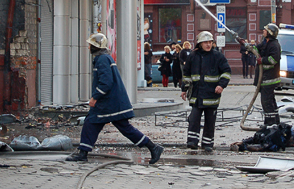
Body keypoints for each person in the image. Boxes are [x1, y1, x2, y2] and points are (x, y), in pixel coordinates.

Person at [66, 33, 163, 163]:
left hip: (108, 103)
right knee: (98, 124)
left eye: (90, 45)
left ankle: (153, 147)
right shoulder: (105, 58)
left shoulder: (101, 60)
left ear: (96, 46)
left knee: (94, 123)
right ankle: (153, 147)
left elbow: (106, 82)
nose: (88, 47)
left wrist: (95, 97)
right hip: (111, 103)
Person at [181, 31, 231, 152]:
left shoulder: (218, 56)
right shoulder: (193, 56)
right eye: (205, 42)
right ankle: (192, 142)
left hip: (212, 95)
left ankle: (207, 143)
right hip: (197, 95)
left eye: (210, 42)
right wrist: (184, 89)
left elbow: (226, 72)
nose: (208, 45)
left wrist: (221, 85)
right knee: (194, 119)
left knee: (210, 121)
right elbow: (186, 74)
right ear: (200, 43)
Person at [248, 24, 281, 126]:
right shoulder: (266, 43)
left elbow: (273, 59)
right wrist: (249, 47)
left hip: (269, 79)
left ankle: (270, 124)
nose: (263, 31)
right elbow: (257, 49)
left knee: (266, 102)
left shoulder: (274, 45)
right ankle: (275, 122)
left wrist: (261, 60)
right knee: (270, 101)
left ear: (270, 33)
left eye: (265, 30)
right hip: (264, 78)